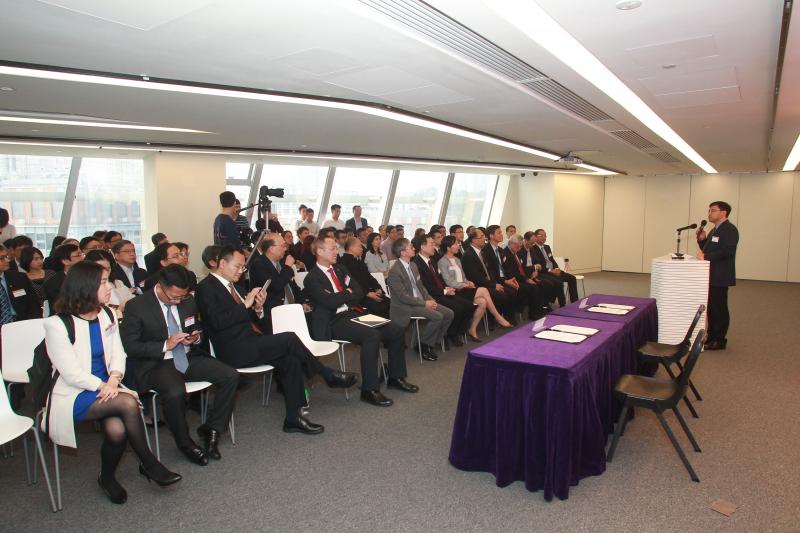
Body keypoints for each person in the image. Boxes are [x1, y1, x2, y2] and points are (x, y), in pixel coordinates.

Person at [43, 261, 181, 504]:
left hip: (109, 387)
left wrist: (114, 379)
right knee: (128, 404)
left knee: (117, 431)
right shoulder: (57, 324)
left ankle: (106, 478)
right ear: (86, 286)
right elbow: (70, 373)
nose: (109, 287)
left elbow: (119, 353)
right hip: (74, 393)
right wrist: (104, 387)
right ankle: (149, 463)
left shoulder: (106, 313)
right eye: (104, 282)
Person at [195, 246, 358, 434]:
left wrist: (258, 308)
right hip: (232, 350)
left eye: (243, 268)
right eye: (238, 267)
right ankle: (326, 374)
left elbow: (251, 320)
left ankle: (293, 417)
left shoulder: (236, 287)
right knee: (289, 338)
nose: (241, 272)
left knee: (291, 360)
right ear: (222, 263)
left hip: (251, 343)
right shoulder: (205, 288)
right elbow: (216, 322)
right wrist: (245, 304)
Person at [121, 265, 239, 465]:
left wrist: (194, 337)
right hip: (158, 362)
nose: (177, 301)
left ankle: (212, 428)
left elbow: (195, 326)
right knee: (175, 392)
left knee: (230, 375)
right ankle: (185, 443)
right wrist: (165, 344)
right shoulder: (136, 306)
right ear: (160, 286)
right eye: (173, 297)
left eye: (182, 297)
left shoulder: (188, 301)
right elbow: (130, 347)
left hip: (186, 356)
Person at [304, 237, 417, 407]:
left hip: (352, 313)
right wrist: (346, 293)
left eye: (336, 248)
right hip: (333, 321)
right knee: (371, 335)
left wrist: (344, 294)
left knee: (395, 329)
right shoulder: (312, 278)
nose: (337, 252)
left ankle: (396, 377)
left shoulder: (341, 269)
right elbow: (330, 302)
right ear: (320, 252)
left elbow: (359, 291)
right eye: (333, 249)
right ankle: (369, 390)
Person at [387, 238, 454, 361]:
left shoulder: (413, 265)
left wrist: (430, 299)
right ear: (403, 252)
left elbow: (421, 286)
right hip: (406, 306)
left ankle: (432, 341)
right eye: (410, 247)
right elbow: (403, 297)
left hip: (420, 301)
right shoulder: (394, 272)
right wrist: (424, 303)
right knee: (437, 316)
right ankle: (423, 346)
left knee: (449, 313)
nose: (414, 248)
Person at [438, 235, 511, 340]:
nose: (458, 245)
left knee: (482, 302)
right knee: (484, 290)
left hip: (465, 288)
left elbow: (463, 277)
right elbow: (449, 282)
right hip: (456, 291)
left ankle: (472, 329)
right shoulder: (442, 262)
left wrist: (469, 282)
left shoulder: (457, 259)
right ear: (448, 247)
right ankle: (498, 316)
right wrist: (464, 285)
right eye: (455, 244)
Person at [411, 234, 471, 348]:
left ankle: (454, 332)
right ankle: (448, 335)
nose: (434, 247)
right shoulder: (417, 263)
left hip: (440, 291)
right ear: (423, 247)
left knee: (467, 305)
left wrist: (446, 288)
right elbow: (425, 286)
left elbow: (439, 278)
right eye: (431, 244)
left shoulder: (432, 260)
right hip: (431, 295)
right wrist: (444, 291)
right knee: (457, 308)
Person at [696, 200, 739, 350]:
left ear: (723, 212)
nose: (709, 213)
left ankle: (719, 340)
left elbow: (728, 252)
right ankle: (711, 336)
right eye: (709, 210)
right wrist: (702, 240)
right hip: (711, 275)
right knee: (712, 307)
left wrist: (705, 257)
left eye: (713, 210)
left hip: (720, 275)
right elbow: (708, 250)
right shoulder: (715, 230)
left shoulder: (729, 229)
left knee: (719, 307)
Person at [248, 234, 304, 332]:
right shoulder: (258, 264)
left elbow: (292, 286)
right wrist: (287, 267)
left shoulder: (281, 263)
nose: (285, 249)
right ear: (271, 248)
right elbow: (276, 285)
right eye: (282, 246)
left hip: (293, 309)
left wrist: (302, 302)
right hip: (274, 314)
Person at [461, 228, 511, 319]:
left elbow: (489, 271)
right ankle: (494, 319)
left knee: (508, 291)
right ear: (473, 240)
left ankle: (502, 317)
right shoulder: (468, 255)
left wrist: (495, 283)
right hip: (478, 285)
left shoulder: (482, 252)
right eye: (482, 236)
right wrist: (493, 285)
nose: (485, 238)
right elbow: (475, 277)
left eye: (484, 236)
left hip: (487, 283)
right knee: (501, 295)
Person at [338, 237, 390, 318]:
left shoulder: (358, 260)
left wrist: (378, 288)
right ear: (351, 248)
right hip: (358, 296)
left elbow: (369, 277)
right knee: (381, 308)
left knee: (389, 303)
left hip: (369, 291)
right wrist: (367, 293)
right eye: (359, 246)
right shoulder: (343, 263)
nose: (362, 249)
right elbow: (352, 283)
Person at [483, 225, 525, 322]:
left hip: (504, 278)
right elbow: (491, 271)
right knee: (509, 293)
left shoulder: (501, 250)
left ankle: (509, 318)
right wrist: (505, 281)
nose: (502, 234)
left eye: (501, 232)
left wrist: (511, 279)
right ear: (491, 236)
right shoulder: (486, 251)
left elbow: (506, 268)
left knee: (516, 289)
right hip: (495, 281)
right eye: (499, 233)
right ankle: (503, 319)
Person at [504, 235, 548, 320]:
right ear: (511, 243)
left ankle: (538, 310)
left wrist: (533, 273)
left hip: (522, 276)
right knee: (532, 287)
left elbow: (523, 267)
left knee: (539, 284)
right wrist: (526, 279)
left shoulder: (516, 252)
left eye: (520, 246)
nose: (519, 247)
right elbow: (512, 273)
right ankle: (533, 313)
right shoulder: (506, 254)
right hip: (514, 279)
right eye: (518, 245)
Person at [530, 229, 578, 305]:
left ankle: (575, 302)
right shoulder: (532, 249)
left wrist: (557, 268)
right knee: (559, 282)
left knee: (572, 278)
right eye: (541, 235)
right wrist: (550, 270)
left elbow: (552, 259)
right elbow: (538, 265)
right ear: (535, 237)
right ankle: (563, 305)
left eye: (545, 235)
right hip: (545, 272)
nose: (544, 237)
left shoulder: (547, 247)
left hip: (553, 270)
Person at [0, 243, 42, 326]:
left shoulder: (19, 277)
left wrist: (32, 324)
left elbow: (34, 304)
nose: (7, 260)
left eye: (6, 257)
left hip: (22, 323)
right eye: (2, 258)